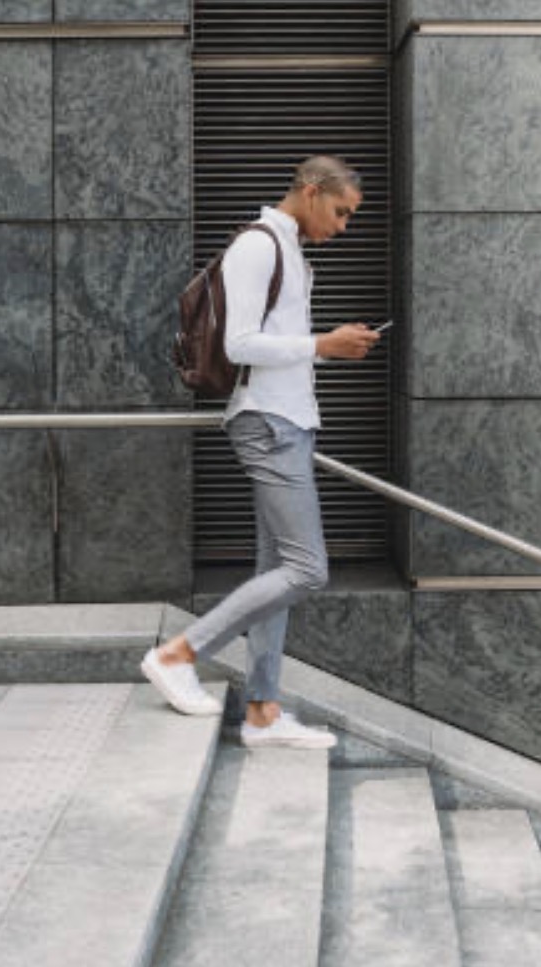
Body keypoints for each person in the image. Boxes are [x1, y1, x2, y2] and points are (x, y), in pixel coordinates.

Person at [141, 155, 378, 749]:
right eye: (341, 211)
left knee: (278, 572)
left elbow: (280, 345)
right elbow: (239, 342)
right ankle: (179, 654)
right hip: (267, 423)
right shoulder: (259, 245)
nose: (344, 227)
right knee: (307, 569)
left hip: (290, 420)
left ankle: (263, 711)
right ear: (310, 189)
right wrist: (323, 341)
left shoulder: (294, 253)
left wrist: (331, 348)